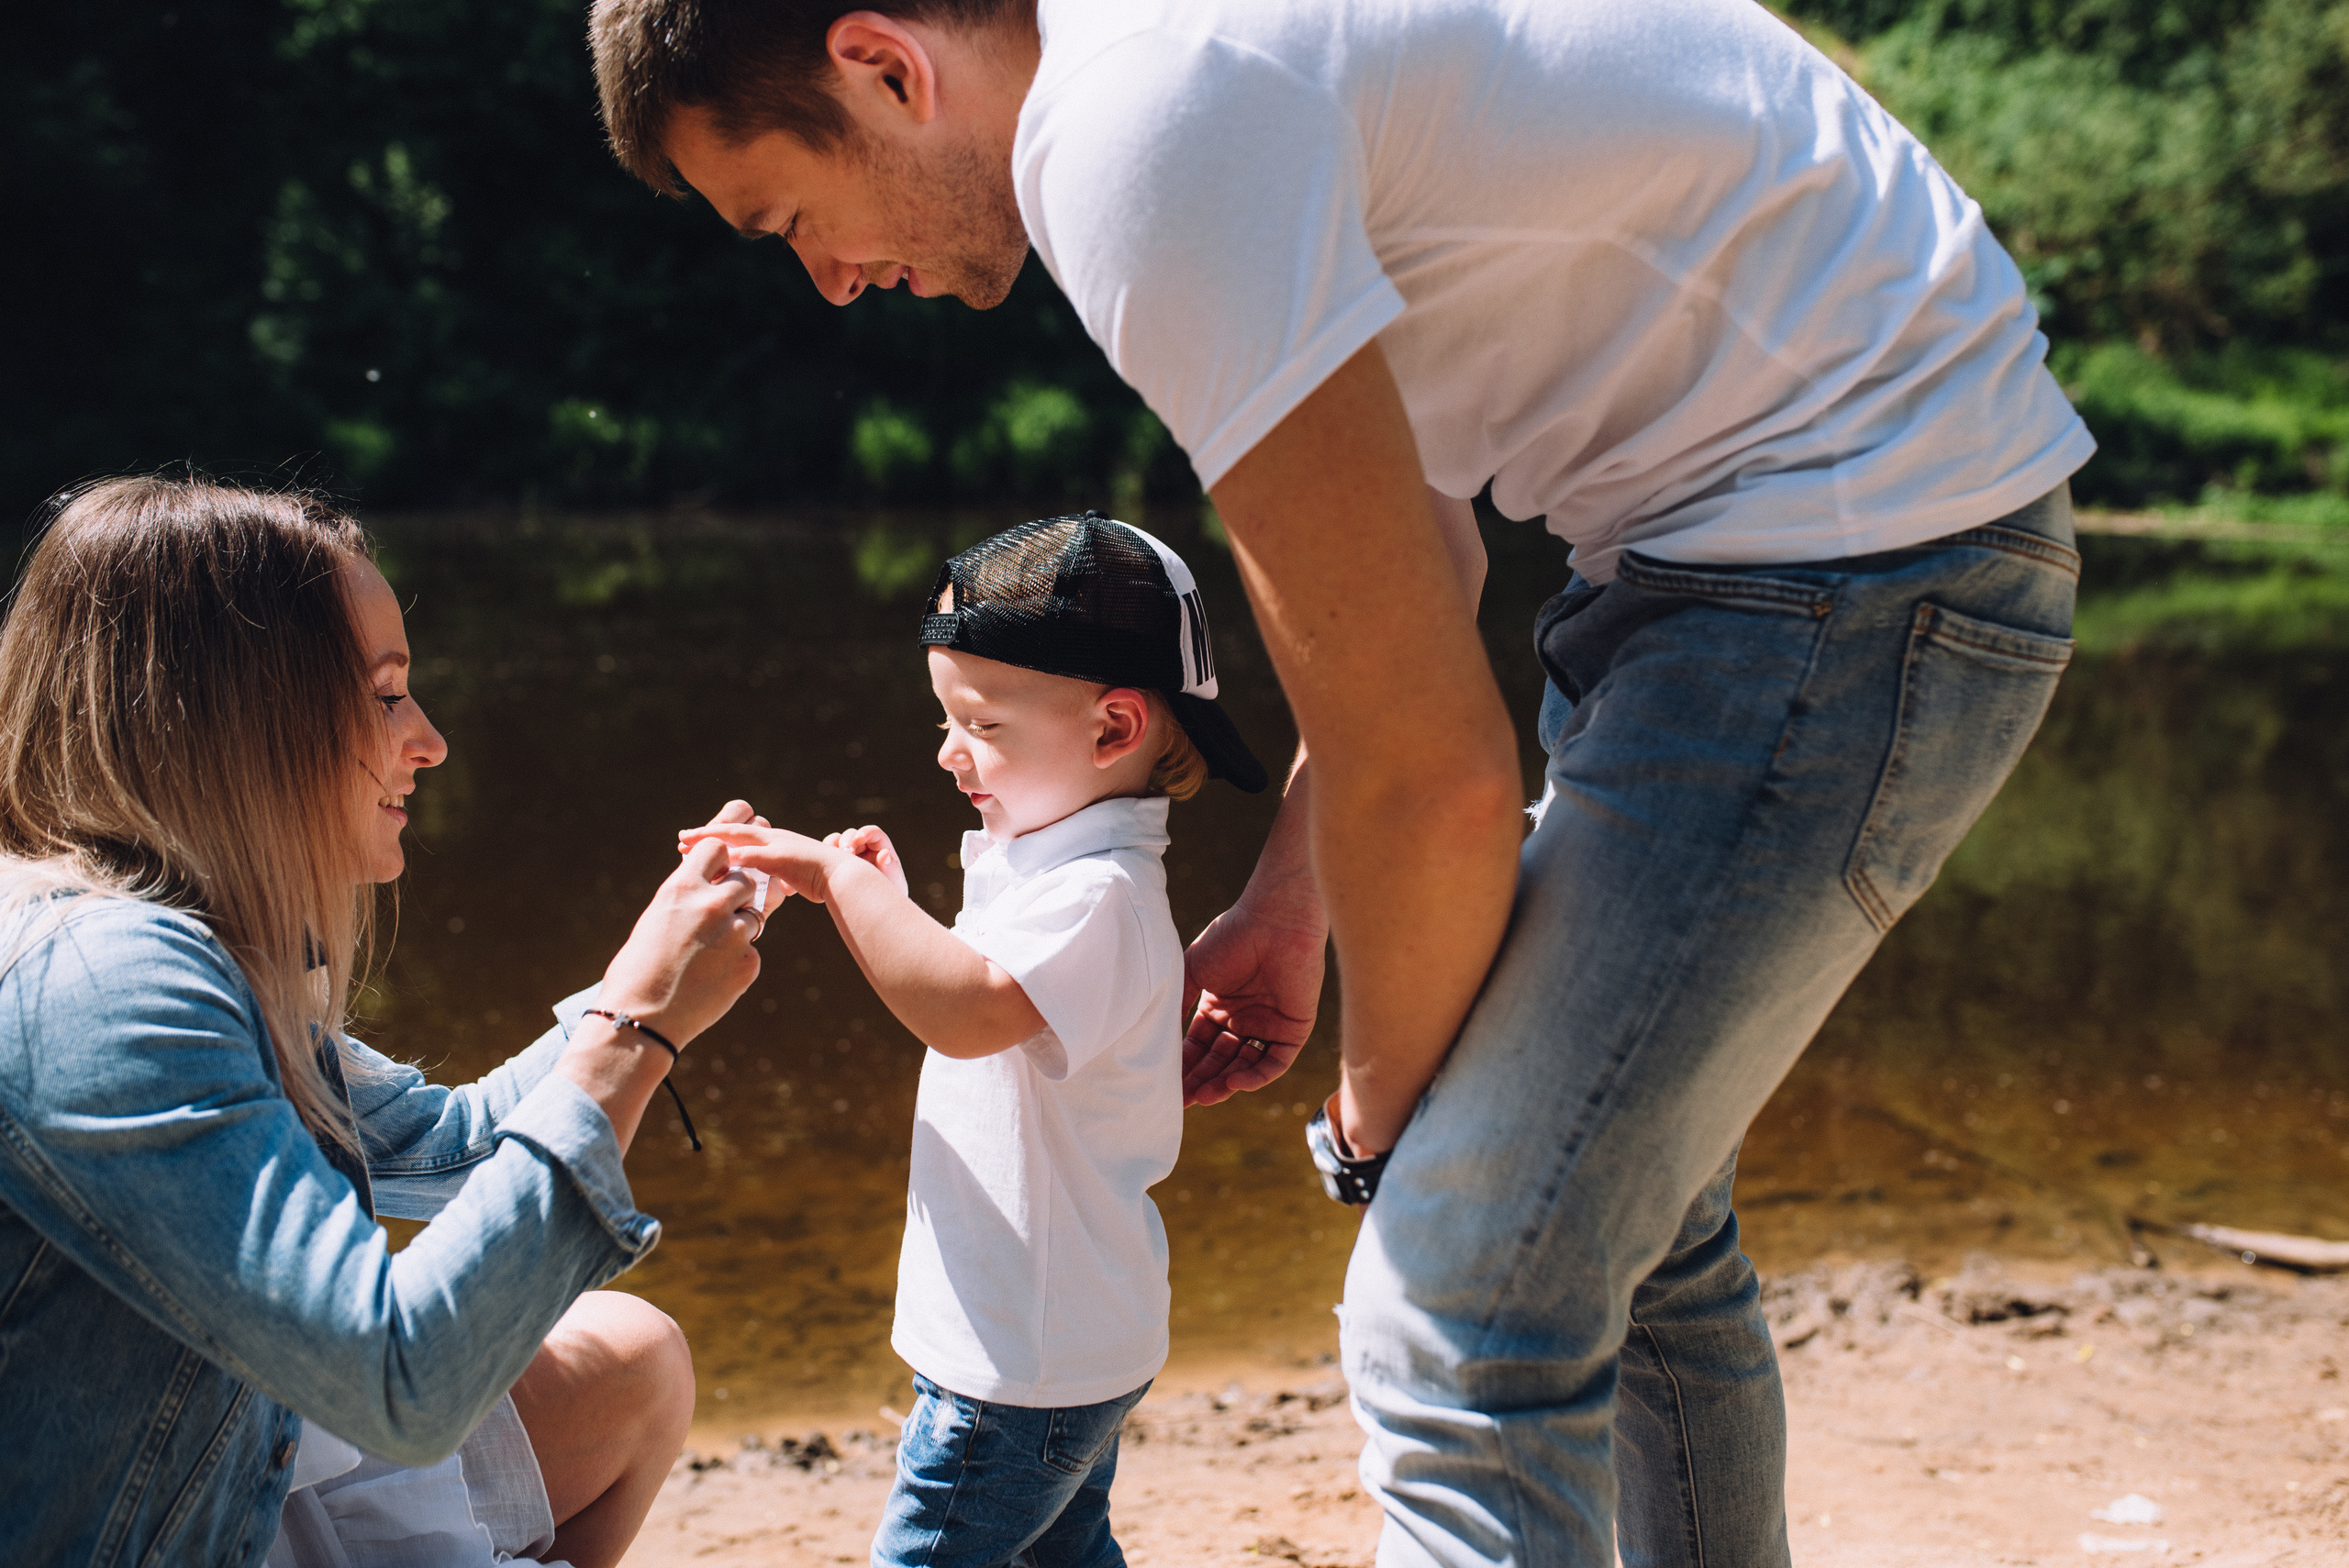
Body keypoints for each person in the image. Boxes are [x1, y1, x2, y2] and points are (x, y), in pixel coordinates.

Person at [586, 3, 2091, 1562]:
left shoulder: (1129, 129)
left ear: (885, 66)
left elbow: (1432, 763)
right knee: (1620, 1223)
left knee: (1459, 1301)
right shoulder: (1187, 61)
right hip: (1792, 541)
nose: (825, 278)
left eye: (787, 216)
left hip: (1837, 555)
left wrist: (1385, 1120)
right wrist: (1291, 900)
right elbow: (1418, 559)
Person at [0, 474, 765, 1568]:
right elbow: (404, 1382)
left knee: (635, 1357)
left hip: (219, 1501)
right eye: (385, 695)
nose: (431, 740)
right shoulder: (101, 984)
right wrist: (634, 1024)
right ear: (234, 716)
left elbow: (448, 1146)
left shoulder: (182, 936)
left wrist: (646, 976)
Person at [681, 514, 1265, 1568]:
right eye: (947, 718)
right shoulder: (1052, 863)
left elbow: (969, 1009)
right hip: (1052, 1340)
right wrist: (891, 905)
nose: (948, 750)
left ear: (1111, 727)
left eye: (980, 724)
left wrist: (840, 882)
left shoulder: (1099, 893)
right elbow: (982, 999)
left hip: (1021, 1362)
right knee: (1064, 1551)